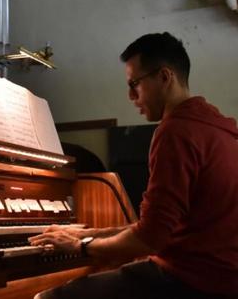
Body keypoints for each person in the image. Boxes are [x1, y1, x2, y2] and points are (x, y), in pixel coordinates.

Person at [28, 32, 238, 299]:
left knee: (47, 298)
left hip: (193, 281)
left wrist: (79, 247)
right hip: (222, 277)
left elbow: (148, 240)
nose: (130, 96)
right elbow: (156, 227)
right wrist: (87, 235)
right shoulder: (218, 127)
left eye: (135, 84)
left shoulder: (176, 131)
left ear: (164, 77)